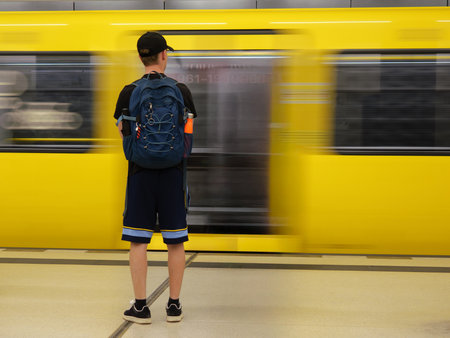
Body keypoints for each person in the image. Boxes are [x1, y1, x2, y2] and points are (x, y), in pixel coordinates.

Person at [114, 31, 197, 324]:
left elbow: (124, 133)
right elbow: (189, 133)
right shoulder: (181, 90)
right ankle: (174, 306)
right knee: (175, 242)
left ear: (140, 57)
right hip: (174, 174)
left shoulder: (128, 92)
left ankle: (140, 307)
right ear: (164, 55)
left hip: (140, 175)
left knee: (139, 241)